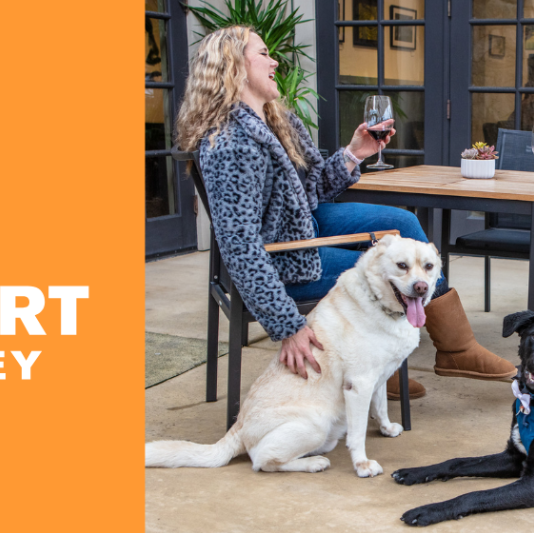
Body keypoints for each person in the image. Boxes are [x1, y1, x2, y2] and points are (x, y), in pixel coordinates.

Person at [175, 26, 515, 399]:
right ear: (232, 67)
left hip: (300, 228)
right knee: (386, 274)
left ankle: (456, 350)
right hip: (280, 261)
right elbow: (240, 246)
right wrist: (288, 325)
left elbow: (313, 191)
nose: (274, 61)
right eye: (262, 54)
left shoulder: (277, 121)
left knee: (402, 225)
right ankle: (378, 365)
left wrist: (355, 153)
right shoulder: (231, 145)